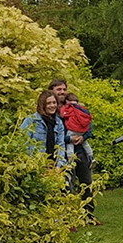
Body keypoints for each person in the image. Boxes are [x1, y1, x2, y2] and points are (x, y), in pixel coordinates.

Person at [50, 78, 96, 220]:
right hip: (63, 154)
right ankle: (69, 219)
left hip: (80, 151)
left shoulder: (73, 106)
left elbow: (88, 123)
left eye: (64, 89)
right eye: (59, 89)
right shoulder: (51, 110)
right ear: (52, 91)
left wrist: (83, 137)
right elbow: (53, 135)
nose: (62, 92)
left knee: (87, 184)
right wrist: (69, 139)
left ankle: (88, 216)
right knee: (68, 186)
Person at [20, 90, 67, 168]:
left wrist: (59, 166)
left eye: (54, 102)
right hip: (34, 164)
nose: (52, 105)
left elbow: (60, 145)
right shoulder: (31, 120)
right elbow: (22, 143)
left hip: (53, 165)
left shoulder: (58, 123)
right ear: (42, 105)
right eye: (49, 103)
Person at [59, 93, 94, 164]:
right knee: (85, 144)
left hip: (72, 130)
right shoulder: (82, 109)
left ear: (67, 101)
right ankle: (91, 157)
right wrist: (84, 137)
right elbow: (89, 122)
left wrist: (70, 138)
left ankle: (70, 160)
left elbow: (63, 115)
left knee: (70, 144)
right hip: (82, 132)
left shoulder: (68, 108)